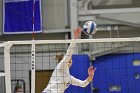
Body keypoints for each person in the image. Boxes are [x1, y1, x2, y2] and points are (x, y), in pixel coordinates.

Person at [42, 28, 96, 93]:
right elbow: (69, 52)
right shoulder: (61, 66)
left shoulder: (69, 78)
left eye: (70, 60)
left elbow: (83, 84)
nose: (69, 61)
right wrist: (75, 38)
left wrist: (91, 76)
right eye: (67, 60)